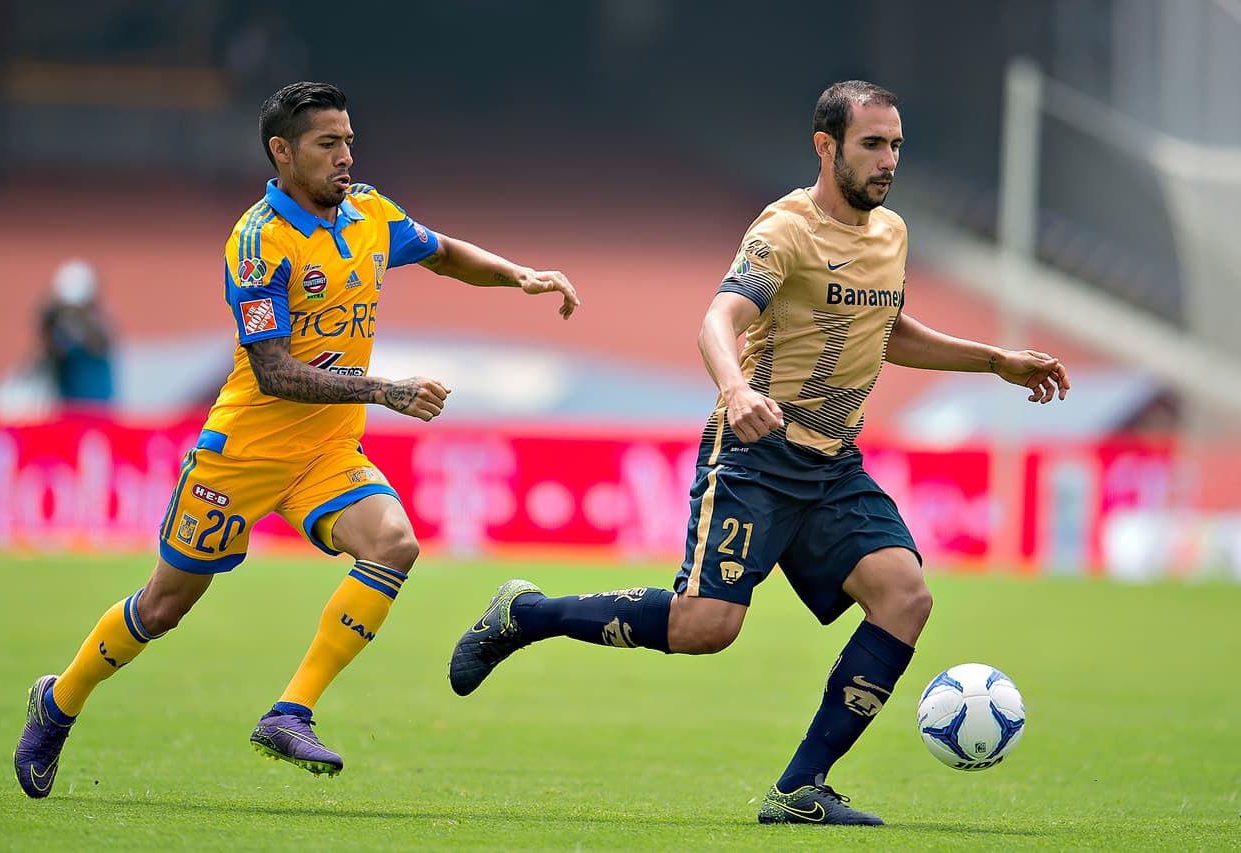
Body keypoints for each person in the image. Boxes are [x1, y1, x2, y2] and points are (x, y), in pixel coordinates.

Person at [448, 80, 1068, 826]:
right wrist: (737, 388)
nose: (888, 160)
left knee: (906, 596)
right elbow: (719, 316)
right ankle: (526, 614)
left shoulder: (891, 235)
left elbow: (888, 328)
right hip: (758, 451)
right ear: (826, 146)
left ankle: (801, 787)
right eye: (873, 144)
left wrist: (995, 360)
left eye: (896, 145)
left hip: (832, 464)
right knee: (707, 626)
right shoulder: (784, 231)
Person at [14, 80, 580, 799]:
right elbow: (275, 371)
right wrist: (384, 388)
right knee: (162, 607)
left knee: (394, 543)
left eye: (349, 141)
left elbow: (439, 252)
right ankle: (57, 702)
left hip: (326, 453)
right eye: (327, 144)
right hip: (243, 453)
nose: (346, 156)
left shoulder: (369, 212)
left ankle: (290, 710)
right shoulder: (258, 242)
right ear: (282, 152)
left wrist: (518, 276)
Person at [39, 258, 115, 406]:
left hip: (94, 410)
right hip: (72, 410)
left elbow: (99, 342)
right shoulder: (61, 328)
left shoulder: (97, 327)